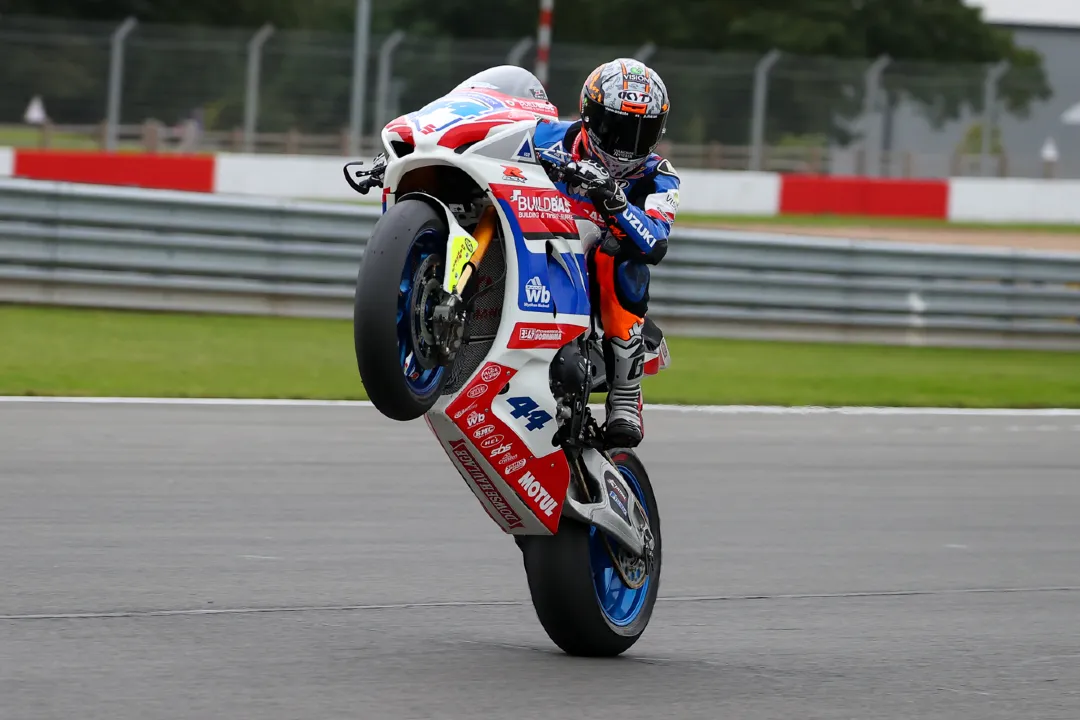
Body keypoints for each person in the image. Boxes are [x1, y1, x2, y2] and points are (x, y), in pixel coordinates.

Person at [532, 58, 678, 449]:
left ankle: (626, 396)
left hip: (597, 279)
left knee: (616, 253)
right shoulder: (546, 137)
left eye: (640, 132)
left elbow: (655, 242)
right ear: (589, 115)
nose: (626, 144)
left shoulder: (659, 176)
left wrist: (614, 201)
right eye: (615, 128)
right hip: (534, 238)